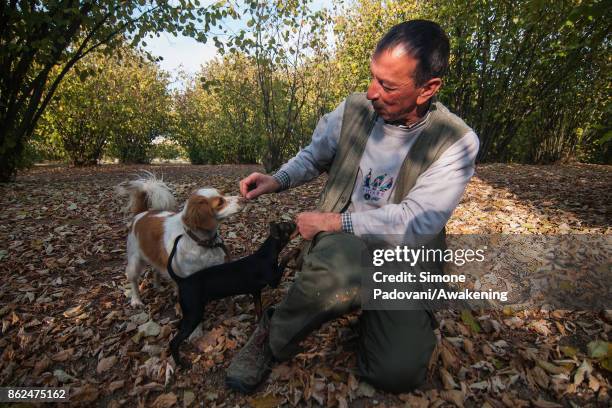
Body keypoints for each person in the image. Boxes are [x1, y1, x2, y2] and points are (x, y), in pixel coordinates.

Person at [225, 20, 479, 394]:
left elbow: (414, 222)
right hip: (346, 245)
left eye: (387, 86)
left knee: (397, 372)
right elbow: (315, 156)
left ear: (428, 88)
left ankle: (376, 307)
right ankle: (273, 333)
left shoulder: (456, 141)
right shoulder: (354, 110)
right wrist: (276, 179)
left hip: (402, 256)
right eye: (372, 77)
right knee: (340, 262)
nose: (371, 92)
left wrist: (332, 220)